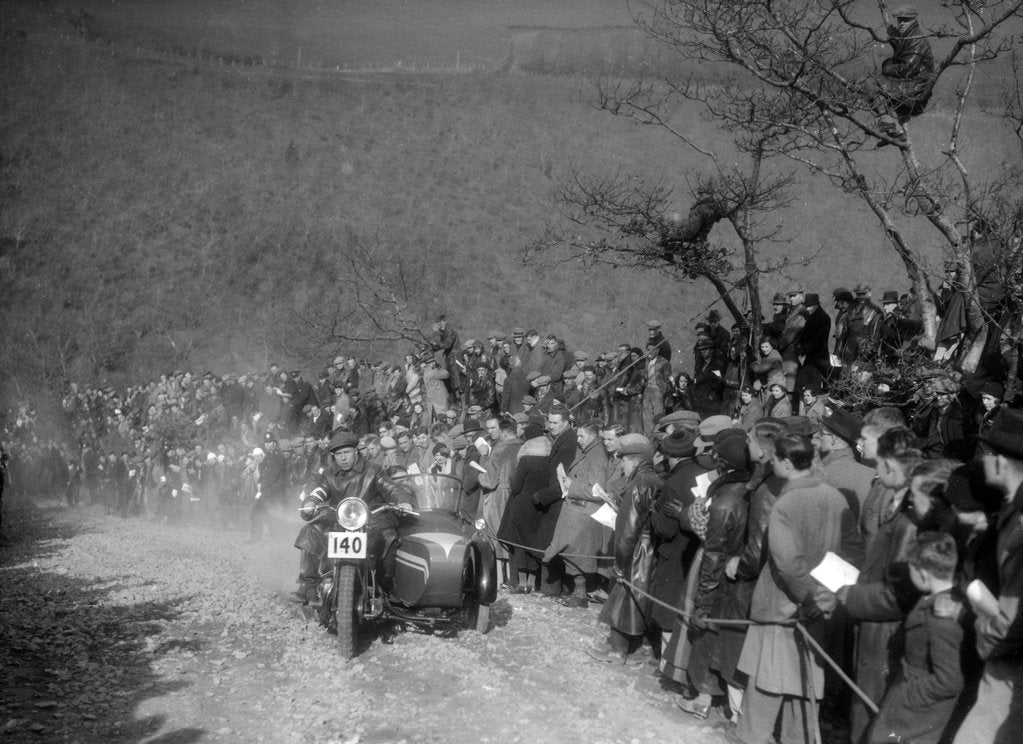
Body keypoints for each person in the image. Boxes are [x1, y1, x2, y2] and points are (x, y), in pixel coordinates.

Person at [731, 434, 854, 744]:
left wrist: (808, 597)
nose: (771, 464)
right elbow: (854, 549)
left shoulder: (786, 502)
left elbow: (788, 563)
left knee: (766, 679)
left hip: (783, 604)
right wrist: (827, 595)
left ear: (786, 464)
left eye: (775, 461)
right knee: (805, 682)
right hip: (820, 606)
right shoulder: (834, 495)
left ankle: (751, 738)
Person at [953, 409, 1023, 744]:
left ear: (1000, 461)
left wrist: (980, 625)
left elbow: (1007, 625)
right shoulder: (1013, 511)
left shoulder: (1021, 524)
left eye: (990, 453)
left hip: (1011, 668)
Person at [866, 532, 966, 744]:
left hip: (918, 712)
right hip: (911, 704)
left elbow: (949, 681)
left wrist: (909, 694)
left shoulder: (941, 619)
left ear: (923, 573)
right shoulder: (936, 600)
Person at [290, 431, 411, 605]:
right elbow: (320, 490)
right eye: (338, 454)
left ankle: (387, 587)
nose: (343, 458)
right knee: (310, 530)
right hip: (339, 521)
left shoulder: (374, 470)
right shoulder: (329, 474)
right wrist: (311, 501)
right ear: (333, 456)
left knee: (390, 538)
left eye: (347, 452)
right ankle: (307, 585)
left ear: (356, 451)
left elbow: (391, 488)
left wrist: (403, 501)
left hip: (372, 520)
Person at [589, 433, 662, 664]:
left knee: (623, 596)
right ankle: (637, 648)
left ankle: (617, 650)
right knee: (638, 600)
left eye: (624, 460)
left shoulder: (637, 485)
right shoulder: (656, 480)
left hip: (637, 549)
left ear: (635, 460)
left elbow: (628, 530)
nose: (621, 465)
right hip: (650, 548)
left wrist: (620, 563)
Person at [543, 420, 610, 608]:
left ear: (593, 436)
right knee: (572, 552)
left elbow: (597, 490)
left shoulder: (596, 456)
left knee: (577, 554)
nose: (578, 440)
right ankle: (577, 593)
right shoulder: (587, 452)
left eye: (582, 436)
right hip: (575, 511)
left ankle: (580, 595)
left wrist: (571, 486)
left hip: (583, 513)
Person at [876, 5, 934, 134]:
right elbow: (905, 51)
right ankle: (893, 132)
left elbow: (907, 69)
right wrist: (894, 37)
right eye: (899, 20)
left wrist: (887, 68)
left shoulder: (916, 40)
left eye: (905, 20)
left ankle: (891, 130)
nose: (901, 23)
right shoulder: (910, 36)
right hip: (913, 88)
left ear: (914, 20)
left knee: (871, 83)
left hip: (915, 91)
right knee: (880, 92)